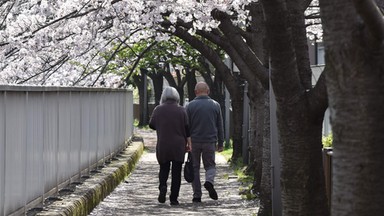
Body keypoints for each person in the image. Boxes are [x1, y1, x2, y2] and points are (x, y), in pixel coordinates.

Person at [149, 86, 192, 206]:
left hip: (163, 143)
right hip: (178, 145)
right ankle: (174, 198)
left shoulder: (158, 109)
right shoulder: (181, 110)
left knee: (164, 168)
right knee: (176, 172)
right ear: (177, 96)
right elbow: (187, 128)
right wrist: (189, 144)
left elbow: (151, 125)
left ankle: (162, 186)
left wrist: (162, 126)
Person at [185, 81, 224, 203]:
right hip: (210, 141)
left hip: (194, 142)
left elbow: (186, 126)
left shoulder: (189, 106)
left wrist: (186, 142)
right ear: (208, 91)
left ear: (196, 92)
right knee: (210, 165)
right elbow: (220, 125)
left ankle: (197, 195)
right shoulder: (215, 105)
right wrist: (221, 142)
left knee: (194, 167)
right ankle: (209, 181)